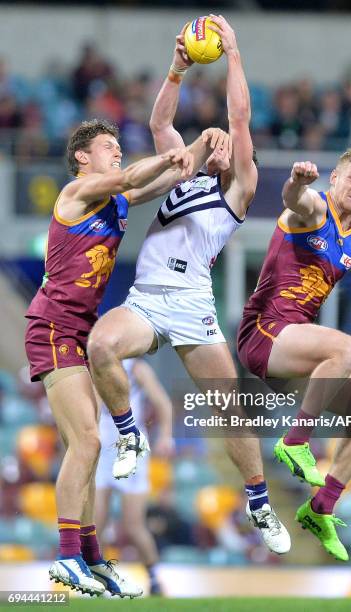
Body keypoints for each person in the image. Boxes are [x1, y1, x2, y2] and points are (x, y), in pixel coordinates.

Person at [88, 15, 291, 556]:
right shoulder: (188, 173)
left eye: (235, 149)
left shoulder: (238, 193)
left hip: (193, 304)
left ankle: (259, 502)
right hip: (148, 298)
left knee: (229, 411)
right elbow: (160, 125)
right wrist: (177, 70)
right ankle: (129, 432)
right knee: (100, 345)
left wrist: (235, 55)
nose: (226, 146)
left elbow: (239, 116)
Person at [24, 117, 225, 596]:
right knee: (89, 444)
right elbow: (136, 176)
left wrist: (201, 152)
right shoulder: (77, 193)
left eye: (118, 147)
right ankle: (68, 557)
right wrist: (191, 143)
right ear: (82, 158)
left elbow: (166, 179)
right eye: (109, 147)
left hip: (79, 331)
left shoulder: (111, 200)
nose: (117, 152)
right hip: (54, 327)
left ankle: (90, 558)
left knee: (89, 447)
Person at [237, 145, 351, 561]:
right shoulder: (315, 207)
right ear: (334, 178)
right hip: (264, 334)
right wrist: (298, 181)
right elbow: (292, 200)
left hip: (297, 349)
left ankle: (321, 508)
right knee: (349, 347)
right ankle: (296, 440)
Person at [95, 358, 173, 595]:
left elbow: (163, 403)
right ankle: (98, 579)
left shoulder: (136, 368)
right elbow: (94, 408)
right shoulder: (94, 364)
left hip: (131, 450)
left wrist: (165, 436)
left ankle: (154, 577)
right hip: (102, 449)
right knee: (95, 524)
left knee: (133, 525)